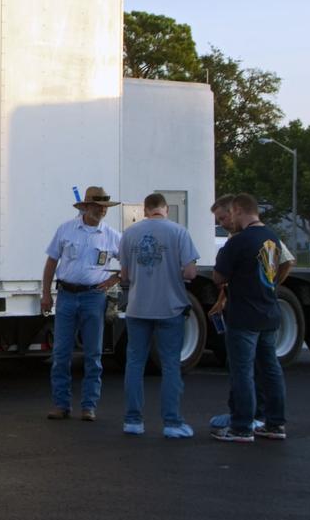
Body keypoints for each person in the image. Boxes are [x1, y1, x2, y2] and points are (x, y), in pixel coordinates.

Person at [208, 194, 296, 432]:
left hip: (244, 314)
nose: (224, 223)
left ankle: (241, 426)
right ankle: (275, 423)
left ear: (237, 210)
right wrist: (271, 284)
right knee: (271, 369)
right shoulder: (272, 237)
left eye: (225, 217)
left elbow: (219, 276)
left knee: (242, 371)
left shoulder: (238, 241)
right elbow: (279, 265)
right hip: (269, 311)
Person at [118, 192, 199, 438]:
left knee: (134, 363)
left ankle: (133, 420)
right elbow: (191, 273)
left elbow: (124, 276)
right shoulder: (179, 232)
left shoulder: (129, 234)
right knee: (170, 365)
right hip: (169, 307)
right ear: (165, 209)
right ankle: (172, 423)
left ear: (145, 210)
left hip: (137, 307)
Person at [41, 185, 123, 421]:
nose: (102, 211)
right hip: (66, 294)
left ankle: (89, 405)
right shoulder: (66, 229)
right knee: (61, 353)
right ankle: (61, 404)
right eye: (98, 207)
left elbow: (129, 262)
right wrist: (46, 294)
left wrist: (113, 279)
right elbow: (51, 263)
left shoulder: (112, 236)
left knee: (93, 354)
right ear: (86, 207)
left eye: (104, 207)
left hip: (93, 297)